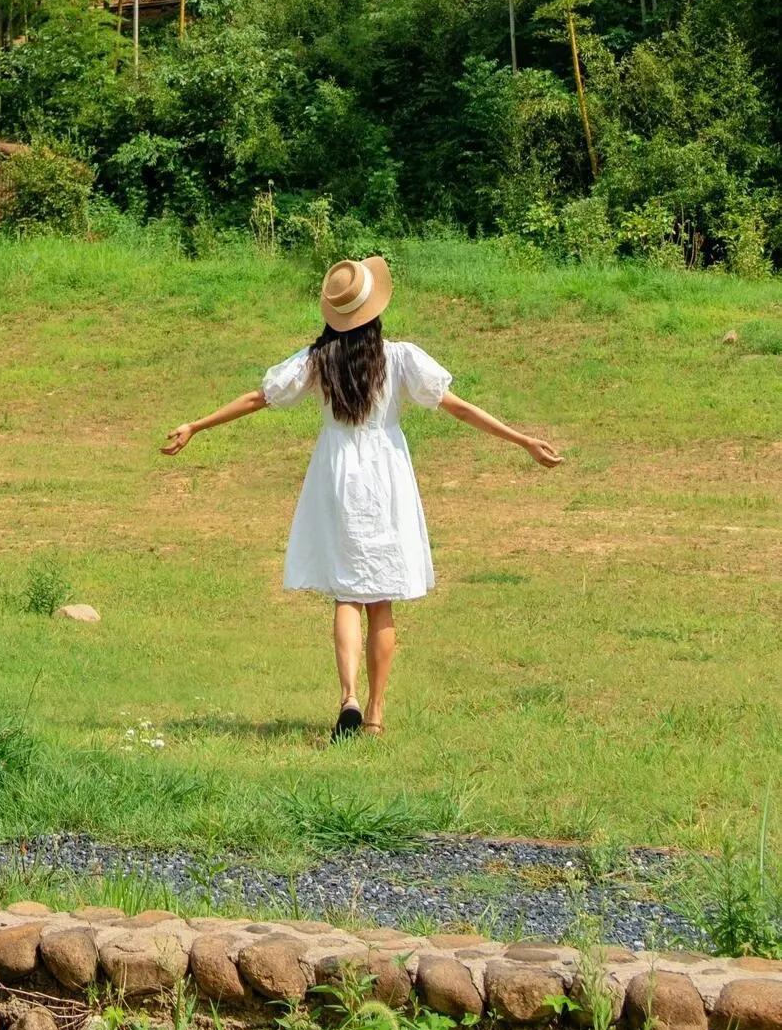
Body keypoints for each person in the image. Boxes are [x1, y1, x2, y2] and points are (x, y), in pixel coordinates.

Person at [159, 255, 563, 739]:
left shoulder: (318, 360)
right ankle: (374, 714)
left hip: (336, 475)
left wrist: (196, 425)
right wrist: (521, 439)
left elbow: (259, 398)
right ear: (375, 310)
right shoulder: (400, 358)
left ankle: (348, 696)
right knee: (381, 598)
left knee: (348, 594)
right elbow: (457, 408)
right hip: (386, 474)